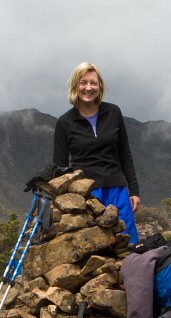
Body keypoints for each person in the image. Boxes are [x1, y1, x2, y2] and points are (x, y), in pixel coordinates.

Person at [53, 62, 140, 244]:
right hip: (87, 194)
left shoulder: (113, 112)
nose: (88, 88)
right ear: (75, 86)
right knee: (93, 246)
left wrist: (134, 190)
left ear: (100, 86)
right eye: (83, 82)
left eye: (93, 83)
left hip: (117, 189)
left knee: (128, 244)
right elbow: (59, 167)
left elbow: (125, 154)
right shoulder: (65, 122)